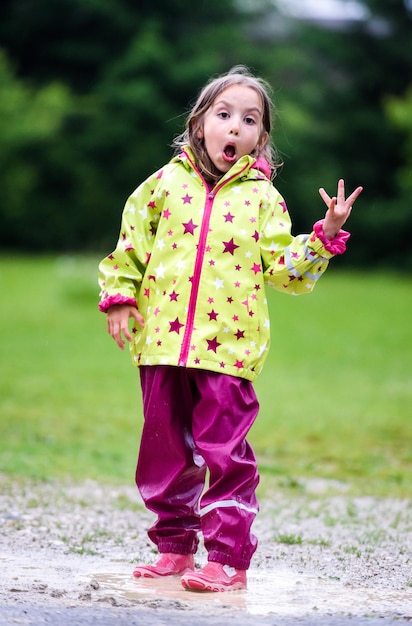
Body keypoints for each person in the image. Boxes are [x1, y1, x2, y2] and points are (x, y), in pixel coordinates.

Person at [98, 65, 362, 593]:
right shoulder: (161, 186)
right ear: (200, 125)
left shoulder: (263, 200)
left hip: (229, 352)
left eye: (250, 119)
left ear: (261, 137)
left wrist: (324, 235)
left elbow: (286, 271)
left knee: (225, 454)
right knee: (164, 452)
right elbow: (129, 247)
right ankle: (174, 549)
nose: (235, 127)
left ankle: (227, 557)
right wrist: (120, 300)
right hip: (162, 345)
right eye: (224, 115)